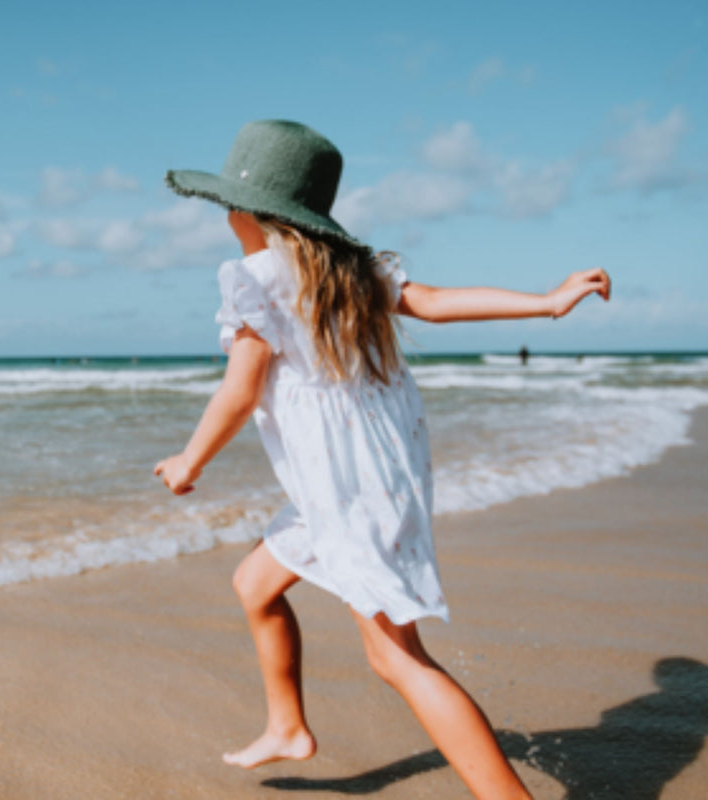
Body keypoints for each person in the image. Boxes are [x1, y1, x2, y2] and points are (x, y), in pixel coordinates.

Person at [155, 120, 610, 800]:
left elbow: (240, 388)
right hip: (359, 479)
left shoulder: (254, 278)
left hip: (349, 493)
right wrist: (544, 303)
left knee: (397, 657)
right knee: (256, 584)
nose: (225, 213)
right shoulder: (351, 268)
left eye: (229, 201)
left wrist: (190, 460)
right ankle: (287, 728)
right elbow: (435, 302)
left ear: (249, 211)